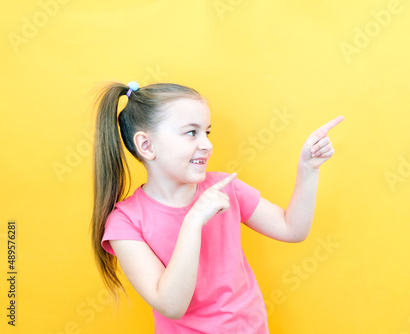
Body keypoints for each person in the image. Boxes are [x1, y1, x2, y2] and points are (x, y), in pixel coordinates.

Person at [90, 81, 344, 333]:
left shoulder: (225, 188)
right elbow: (172, 304)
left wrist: (308, 169)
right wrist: (194, 220)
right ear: (147, 145)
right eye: (191, 132)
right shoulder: (125, 223)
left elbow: (292, 229)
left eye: (207, 132)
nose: (207, 145)